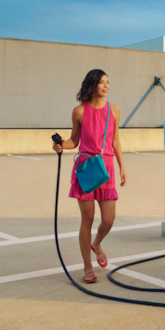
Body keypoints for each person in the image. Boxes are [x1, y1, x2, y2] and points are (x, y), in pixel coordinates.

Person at [52, 69, 126, 283]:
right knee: (88, 219)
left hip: (107, 167)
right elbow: (73, 141)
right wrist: (60, 145)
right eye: (102, 82)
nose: (106, 86)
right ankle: (87, 267)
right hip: (86, 168)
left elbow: (116, 142)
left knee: (109, 219)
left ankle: (97, 244)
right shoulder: (79, 112)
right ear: (91, 85)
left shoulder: (114, 110)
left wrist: (122, 166)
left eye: (108, 82)